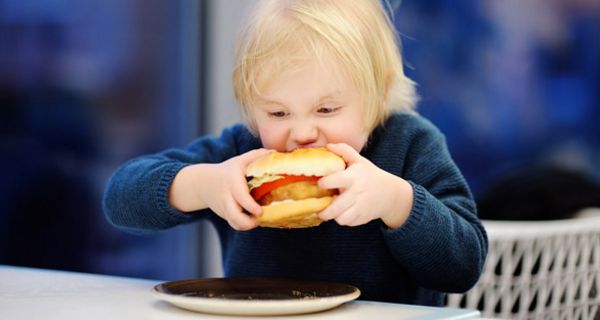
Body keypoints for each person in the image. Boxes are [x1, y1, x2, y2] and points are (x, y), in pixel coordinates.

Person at [103, 0, 487, 306]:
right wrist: (201, 185)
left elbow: (464, 266)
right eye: (278, 113)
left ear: (379, 94)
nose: (302, 133)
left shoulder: (409, 145)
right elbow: (119, 198)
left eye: (326, 110)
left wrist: (399, 202)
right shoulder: (242, 154)